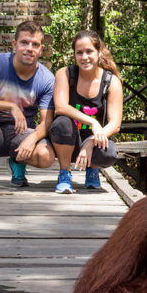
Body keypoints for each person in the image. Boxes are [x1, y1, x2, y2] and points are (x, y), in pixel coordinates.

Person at [0, 20, 55, 190]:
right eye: (24, 42)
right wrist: (10, 106)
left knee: (46, 157)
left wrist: (32, 139)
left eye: (35, 44)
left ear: (41, 49)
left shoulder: (47, 79)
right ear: (14, 44)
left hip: (22, 133)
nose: (29, 48)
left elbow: (46, 122)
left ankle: (17, 161)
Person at [49, 30, 123, 194]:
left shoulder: (111, 81)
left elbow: (115, 124)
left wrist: (91, 141)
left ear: (99, 52)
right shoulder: (65, 74)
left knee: (110, 152)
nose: (84, 57)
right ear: (74, 55)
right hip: (67, 141)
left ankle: (92, 170)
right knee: (62, 122)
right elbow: (60, 107)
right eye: (79, 53)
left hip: (96, 142)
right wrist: (93, 121)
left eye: (89, 51)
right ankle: (64, 173)